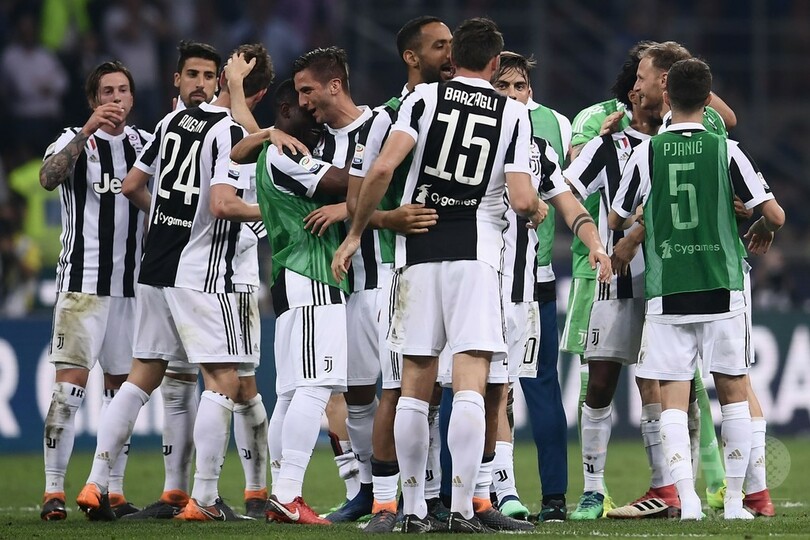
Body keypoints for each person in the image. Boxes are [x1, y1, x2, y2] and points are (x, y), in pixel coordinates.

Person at [334, 17, 609, 533]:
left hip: (417, 252)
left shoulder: (422, 100)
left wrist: (355, 233)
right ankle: (464, 508)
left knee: (414, 385)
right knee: (471, 386)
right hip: (478, 257)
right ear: (494, 63)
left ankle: (412, 510)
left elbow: (382, 170)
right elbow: (523, 198)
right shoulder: (513, 113)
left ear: (454, 57)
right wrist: (533, 209)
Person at [75, 43, 273, 522]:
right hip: (200, 271)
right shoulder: (228, 129)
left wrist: (166, 216)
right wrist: (271, 214)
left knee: (141, 377)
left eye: (208, 76)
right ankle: (204, 498)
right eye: (193, 75)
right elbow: (229, 189)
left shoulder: (166, 125)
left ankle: (96, 481)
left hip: (154, 267)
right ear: (178, 80)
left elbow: (131, 186)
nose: (200, 83)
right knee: (224, 380)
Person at [608, 58, 785, 520]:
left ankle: (686, 501)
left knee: (672, 395)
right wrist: (762, 227)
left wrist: (646, 214)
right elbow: (775, 215)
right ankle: (735, 502)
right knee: (733, 391)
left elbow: (616, 217)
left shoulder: (646, 153)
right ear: (709, 100)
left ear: (666, 97)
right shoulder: (727, 150)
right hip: (722, 287)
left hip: (669, 289)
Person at [230, 76, 353, 526]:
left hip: (289, 280)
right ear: (285, 112)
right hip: (313, 275)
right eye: (304, 105)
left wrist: (237, 89)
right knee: (317, 387)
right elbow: (344, 182)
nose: (314, 113)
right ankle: (287, 494)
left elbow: (243, 143)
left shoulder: (272, 152)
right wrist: (381, 161)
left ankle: (281, 492)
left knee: (288, 394)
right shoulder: (286, 155)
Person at [563, 56, 677, 520]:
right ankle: (593, 490)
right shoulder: (608, 145)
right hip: (618, 279)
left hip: (670, 281)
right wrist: (592, 236)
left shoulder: (682, 141)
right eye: (642, 81)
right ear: (633, 95)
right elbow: (564, 189)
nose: (646, 88)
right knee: (601, 381)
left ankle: (665, 487)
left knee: (662, 385)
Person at [347, 15, 449, 532]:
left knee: (435, 392)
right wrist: (388, 219)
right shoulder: (384, 118)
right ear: (412, 57)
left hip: (450, 265)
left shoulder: (459, 108)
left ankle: (428, 497)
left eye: (452, 45)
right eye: (439, 46)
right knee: (397, 387)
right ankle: (386, 503)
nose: (450, 54)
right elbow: (357, 194)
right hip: (398, 268)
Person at [38, 60, 150, 521]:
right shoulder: (71, 139)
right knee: (69, 390)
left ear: (132, 97)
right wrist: (87, 130)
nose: (116, 99)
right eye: (107, 92)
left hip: (131, 290)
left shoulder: (146, 144)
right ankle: (53, 492)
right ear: (93, 99)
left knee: (122, 392)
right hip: (82, 286)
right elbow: (48, 178)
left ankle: (112, 492)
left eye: (123, 90)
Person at [286, 46, 379, 524]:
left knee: (413, 391)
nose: (304, 102)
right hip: (347, 288)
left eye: (308, 91)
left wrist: (349, 209)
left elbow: (398, 185)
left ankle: (426, 491)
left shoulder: (383, 124)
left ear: (335, 85)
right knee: (357, 394)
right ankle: (368, 489)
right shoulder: (316, 144)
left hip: (393, 276)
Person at [490, 50, 572, 523]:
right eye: (502, 86)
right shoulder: (480, 128)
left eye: (518, 86)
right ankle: (485, 491)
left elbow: (569, 188)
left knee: (541, 388)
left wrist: (591, 238)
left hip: (535, 279)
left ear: (530, 92)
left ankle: (555, 497)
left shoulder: (555, 127)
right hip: (485, 280)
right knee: (484, 388)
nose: (512, 95)